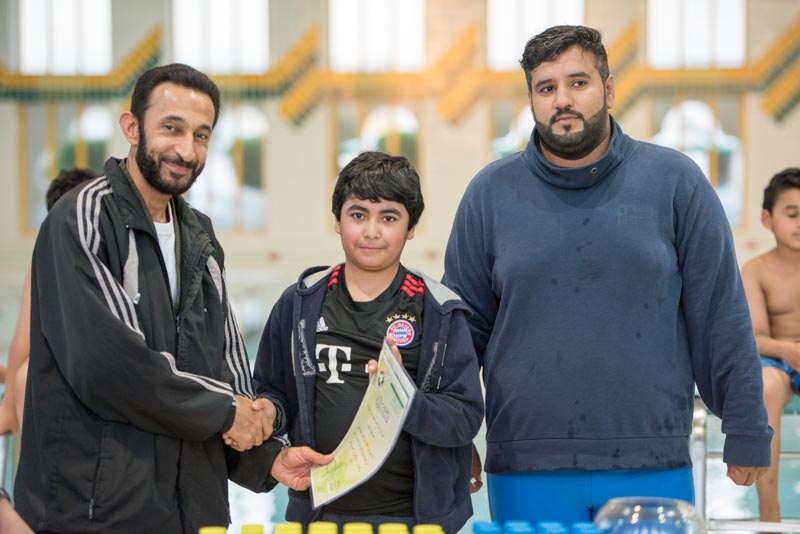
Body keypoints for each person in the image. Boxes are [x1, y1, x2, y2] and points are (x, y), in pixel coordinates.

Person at [442, 25, 772, 525]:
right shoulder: (489, 194)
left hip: (652, 461)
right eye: (546, 88)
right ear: (531, 100)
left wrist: (746, 427)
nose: (562, 100)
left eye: (578, 82)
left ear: (610, 89)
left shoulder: (676, 181)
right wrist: (454, 436)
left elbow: (720, 314)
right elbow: (462, 334)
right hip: (527, 464)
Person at [14, 63, 331, 534]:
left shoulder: (199, 236)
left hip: (191, 511)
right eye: (171, 128)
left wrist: (267, 458)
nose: (186, 150)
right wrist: (227, 412)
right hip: (97, 514)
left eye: (201, 135)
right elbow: (108, 366)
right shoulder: (82, 218)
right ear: (131, 128)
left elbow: (225, 369)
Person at [252, 151, 484, 533]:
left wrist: (403, 400)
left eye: (388, 218)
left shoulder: (439, 312)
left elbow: (464, 418)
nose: (371, 231)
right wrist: (268, 413)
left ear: (411, 227)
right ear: (337, 221)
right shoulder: (299, 304)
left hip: (416, 520)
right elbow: (271, 392)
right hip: (320, 515)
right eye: (358, 215)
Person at [0, 167, 99, 437]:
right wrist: (8, 406)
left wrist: (8, 407)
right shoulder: (48, 255)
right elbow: (24, 338)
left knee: (25, 377)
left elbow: (24, 339)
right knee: (24, 377)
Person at [741, 167, 800, 525]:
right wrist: (788, 350)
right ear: (767, 219)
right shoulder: (757, 270)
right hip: (777, 359)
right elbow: (755, 336)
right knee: (765, 386)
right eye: (792, 214)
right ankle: (769, 511)